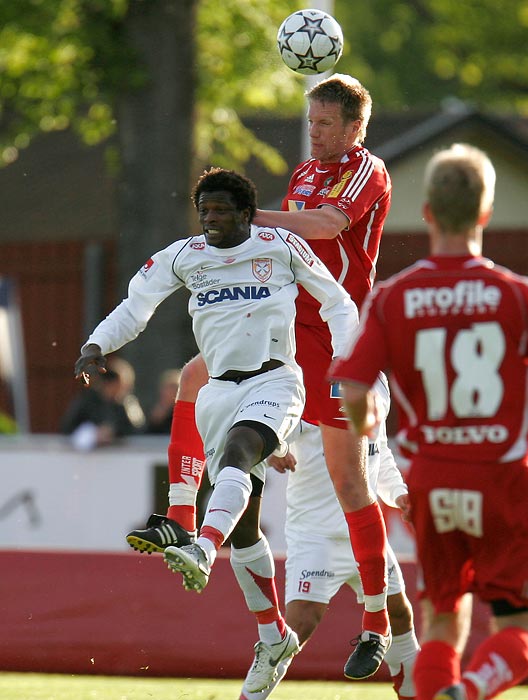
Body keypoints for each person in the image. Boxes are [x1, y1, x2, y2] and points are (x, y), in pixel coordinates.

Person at [127, 73, 394, 679]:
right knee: (194, 380)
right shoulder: (302, 173)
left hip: (333, 337)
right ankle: (182, 519)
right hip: (283, 326)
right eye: (312, 121)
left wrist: (249, 219)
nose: (315, 133)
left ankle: (376, 620)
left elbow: (326, 226)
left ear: (355, 125)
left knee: (352, 483)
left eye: (326, 124)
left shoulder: (367, 169)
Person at [74, 167, 359, 693]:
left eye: (222, 210)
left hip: (275, 380)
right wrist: (96, 345)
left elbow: (338, 302)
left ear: (246, 213)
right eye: (204, 210)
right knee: (246, 530)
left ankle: (200, 545)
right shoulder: (184, 256)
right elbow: (137, 307)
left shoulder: (280, 245)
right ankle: (272, 635)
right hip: (218, 392)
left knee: (239, 454)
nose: (211, 219)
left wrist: (346, 361)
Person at [329, 143, 528, 700]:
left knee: (442, 617)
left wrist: (364, 418)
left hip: (433, 480)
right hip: (503, 476)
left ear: (427, 213)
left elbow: (351, 385)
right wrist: (515, 418)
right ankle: (470, 691)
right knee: (523, 626)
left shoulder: (394, 297)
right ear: (485, 214)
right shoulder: (519, 295)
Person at [239, 377, 420, 700]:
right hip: (316, 535)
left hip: (365, 534)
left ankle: (415, 693)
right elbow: (269, 423)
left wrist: (399, 494)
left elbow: (380, 453)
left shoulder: (376, 382)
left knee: (400, 614)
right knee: (297, 628)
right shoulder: (305, 376)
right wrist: (275, 448)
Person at [60, 365, 141, 450]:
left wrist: (113, 432)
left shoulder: (126, 404)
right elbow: (68, 427)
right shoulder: (87, 402)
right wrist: (93, 433)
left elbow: (136, 430)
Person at [144, 368, 181, 434]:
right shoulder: (151, 411)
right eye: (169, 388)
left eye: (175, 388)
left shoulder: (184, 412)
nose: (172, 392)